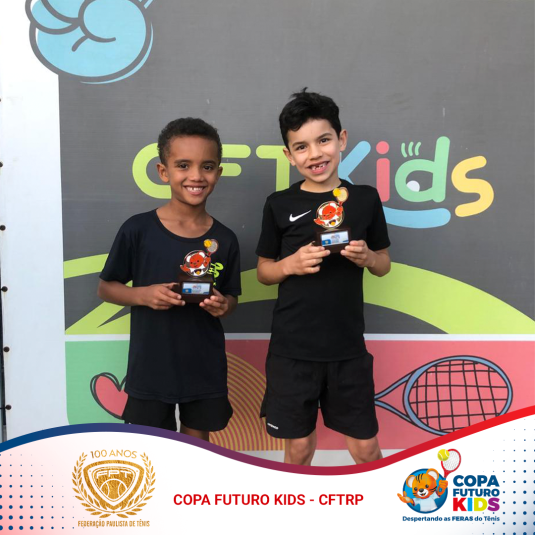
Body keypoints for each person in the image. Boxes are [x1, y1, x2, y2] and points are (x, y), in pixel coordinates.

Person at [256, 90, 391, 465]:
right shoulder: (279, 204)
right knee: (298, 449)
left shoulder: (365, 199)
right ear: (289, 155)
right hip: (292, 351)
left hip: (348, 349)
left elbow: (384, 263)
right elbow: (264, 271)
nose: (314, 154)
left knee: (365, 448)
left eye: (324, 140)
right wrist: (290, 265)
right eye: (301, 147)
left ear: (341, 139)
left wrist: (368, 258)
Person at [98, 118, 241, 441]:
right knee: (154, 454)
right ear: (164, 172)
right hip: (150, 368)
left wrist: (224, 305)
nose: (196, 176)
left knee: (196, 451)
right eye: (183, 165)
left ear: (218, 173)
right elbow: (105, 288)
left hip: (203, 367)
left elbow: (232, 297)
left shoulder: (226, 239)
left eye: (207, 166)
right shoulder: (137, 230)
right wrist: (143, 295)